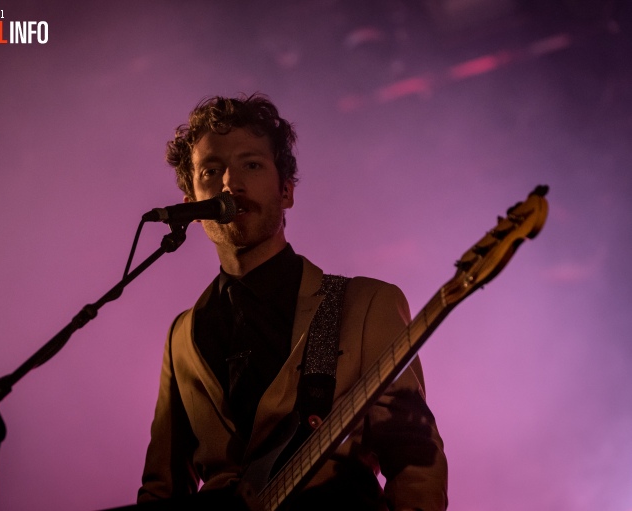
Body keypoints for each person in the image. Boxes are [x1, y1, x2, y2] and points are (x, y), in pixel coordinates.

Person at [137, 94, 448, 510]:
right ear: (192, 205)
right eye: (211, 170)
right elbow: (162, 489)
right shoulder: (183, 336)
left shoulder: (366, 305)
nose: (230, 183)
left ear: (286, 191)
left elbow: (415, 461)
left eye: (251, 164)